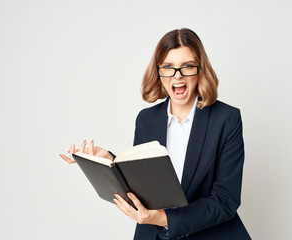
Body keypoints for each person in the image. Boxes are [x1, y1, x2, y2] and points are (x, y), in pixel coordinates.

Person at [60, 28, 251, 240]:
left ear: (200, 69)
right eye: (168, 67)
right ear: (159, 72)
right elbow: (143, 180)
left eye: (187, 66)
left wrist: (163, 218)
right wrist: (109, 161)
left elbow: (225, 201)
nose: (177, 76)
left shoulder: (226, 119)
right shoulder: (146, 120)